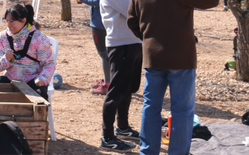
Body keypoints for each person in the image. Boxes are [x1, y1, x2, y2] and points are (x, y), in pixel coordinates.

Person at [127, 0, 217, 154]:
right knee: (182, 110)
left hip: (153, 56)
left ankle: (148, 151)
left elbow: (131, 20)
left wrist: (150, 38)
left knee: (151, 106)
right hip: (181, 56)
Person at [0, 4, 55, 101]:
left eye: (12, 21)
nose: (8, 25)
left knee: (40, 100)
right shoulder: (3, 37)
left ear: (23, 21)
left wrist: (43, 78)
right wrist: (6, 59)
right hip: (10, 79)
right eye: (7, 21)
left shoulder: (38, 38)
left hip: (33, 80)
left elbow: (49, 64)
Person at [98, 0, 144, 152]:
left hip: (134, 42)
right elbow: (136, 11)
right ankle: (107, 137)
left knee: (128, 88)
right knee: (116, 92)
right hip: (120, 44)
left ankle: (123, 127)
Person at [79, 0, 110, 95]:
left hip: (100, 24)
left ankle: (107, 85)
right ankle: (109, 79)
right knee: (107, 54)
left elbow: (98, 1)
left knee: (104, 54)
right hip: (103, 22)